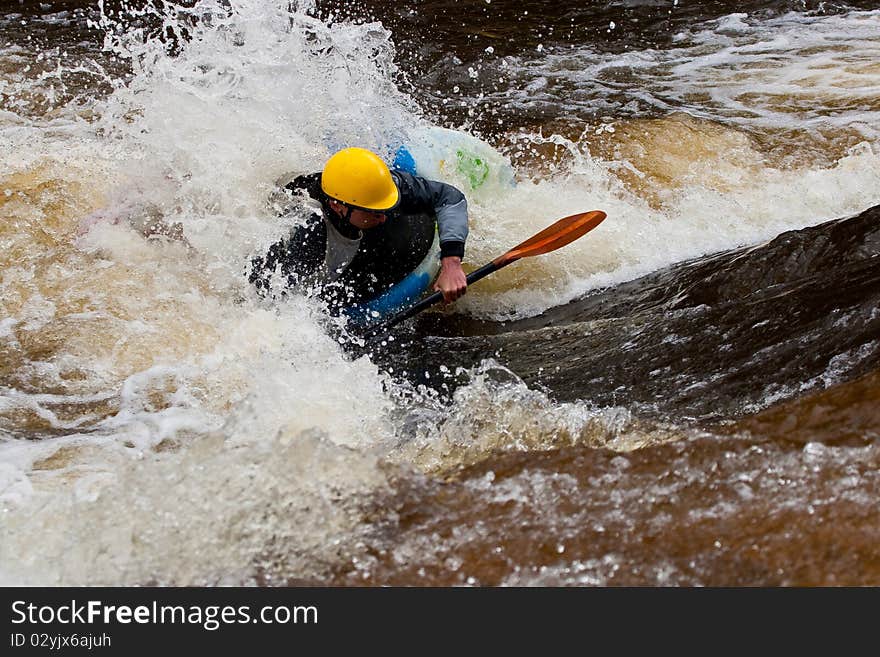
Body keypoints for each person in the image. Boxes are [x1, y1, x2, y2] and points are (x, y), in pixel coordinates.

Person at [249, 147, 469, 318]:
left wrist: (451, 263)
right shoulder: (305, 233)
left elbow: (450, 198)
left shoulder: (375, 186)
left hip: (372, 249)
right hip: (335, 270)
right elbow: (270, 301)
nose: (384, 217)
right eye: (373, 212)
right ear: (337, 206)